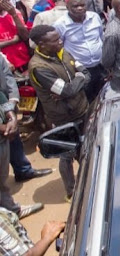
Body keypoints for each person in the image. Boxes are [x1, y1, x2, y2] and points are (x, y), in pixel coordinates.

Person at [28, 25, 90, 202]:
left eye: (59, 38)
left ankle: (87, 178)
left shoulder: (63, 53)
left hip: (81, 108)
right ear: (42, 44)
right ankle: (71, 192)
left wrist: (79, 79)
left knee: (84, 148)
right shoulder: (39, 67)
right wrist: (79, 79)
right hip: (63, 117)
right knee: (67, 154)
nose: (60, 41)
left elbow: (85, 72)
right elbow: (67, 91)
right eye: (55, 40)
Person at [53, 0, 105, 101]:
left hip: (100, 66)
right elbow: (58, 47)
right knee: (86, 98)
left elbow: (101, 37)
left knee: (102, 96)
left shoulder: (94, 17)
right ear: (67, 7)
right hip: (80, 70)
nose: (80, 8)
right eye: (75, 6)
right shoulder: (60, 24)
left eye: (82, 5)